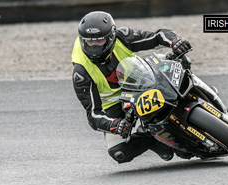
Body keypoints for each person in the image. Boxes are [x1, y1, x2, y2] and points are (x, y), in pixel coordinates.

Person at [71, 11, 192, 164]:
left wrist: (175, 40)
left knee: (178, 60)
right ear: (82, 40)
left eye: (99, 41)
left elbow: (158, 36)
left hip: (139, 80)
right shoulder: (80, 73)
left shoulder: (121, 37)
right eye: (90, 42)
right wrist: (114, 125)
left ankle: (200, 93)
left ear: (110, 37)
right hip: (114, 104)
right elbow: (93, 115)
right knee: (119, 152)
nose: (94, 46)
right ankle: (153, 139)